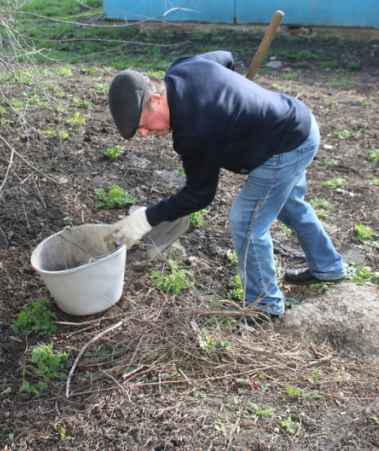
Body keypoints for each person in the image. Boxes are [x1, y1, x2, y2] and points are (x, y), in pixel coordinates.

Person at [107, 51, 345, 320]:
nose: (143, 133)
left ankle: (265, 306)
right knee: (288, 204)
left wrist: (146, 218)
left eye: (142, 125)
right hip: (297, 120)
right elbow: (225, 58)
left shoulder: (193, 131)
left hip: (285, 147)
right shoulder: (183, 68)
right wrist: (233, 103)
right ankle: (328, 266)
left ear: (156, 99)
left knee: (246, 222)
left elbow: (200, 194)